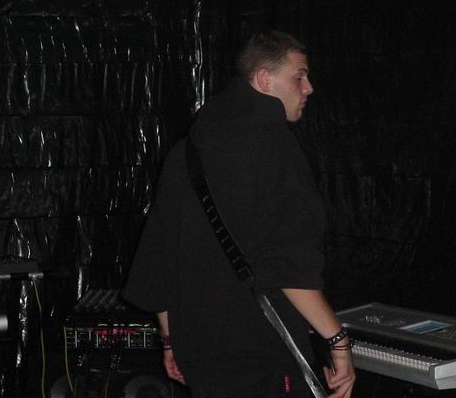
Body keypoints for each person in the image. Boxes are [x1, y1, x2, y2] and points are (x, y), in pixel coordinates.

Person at [122, 30, 355, 398]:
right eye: (299, 76)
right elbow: (288, 263)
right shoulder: (275, 146)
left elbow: (159, 260)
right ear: (264, 79)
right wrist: (338, 341)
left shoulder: (184, 153)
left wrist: (170, 341)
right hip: (262, 355)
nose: (309, 88)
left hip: (201, 355)